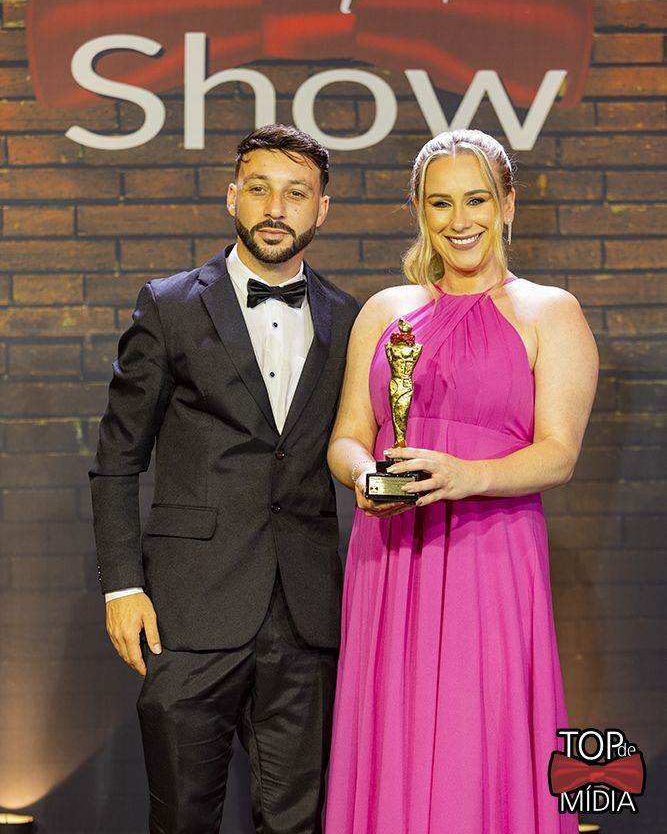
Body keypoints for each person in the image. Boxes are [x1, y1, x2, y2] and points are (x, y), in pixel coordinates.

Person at [324, 129, 598, 834]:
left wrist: (463, 476)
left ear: (507, 204)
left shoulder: (550, 312)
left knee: (477, 739)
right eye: (440, 203)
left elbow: (558, 454)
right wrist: (366, 477)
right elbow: (348, 436)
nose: (459, 220)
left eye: (476, 199)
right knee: (393, 730)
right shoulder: (384, 311)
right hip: (389, 557)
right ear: (420, 210)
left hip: (490, 556)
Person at [90, 124, 359, 834]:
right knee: (181, 817)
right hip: (188, 609)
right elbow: (117, 457)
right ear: (232, 196)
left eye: (296, 193)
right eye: (260, 188)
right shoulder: (170, 305)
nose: (276, 207)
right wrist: (122, 586)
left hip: (305, 614)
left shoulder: (351, 318)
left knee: (297, 822)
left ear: (322, 208)